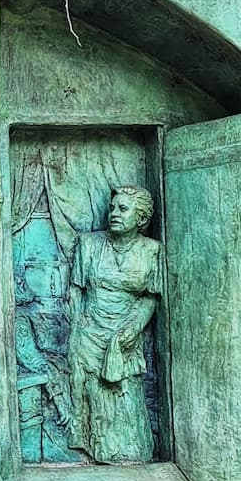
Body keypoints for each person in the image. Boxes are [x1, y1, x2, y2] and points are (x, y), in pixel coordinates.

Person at [66, 184, 162, 463]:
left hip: (125, 333)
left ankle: (128, 454)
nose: (114, 214)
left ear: (141, 219)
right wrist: (78, 326)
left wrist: (135, 327)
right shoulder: (90, 245)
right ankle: (90, 449)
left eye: (123, 209)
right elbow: (76, 290)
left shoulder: (151, 251)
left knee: (124, 395)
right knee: (91, 396)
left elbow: (151, 296)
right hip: (89, 333)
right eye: (112, 208)